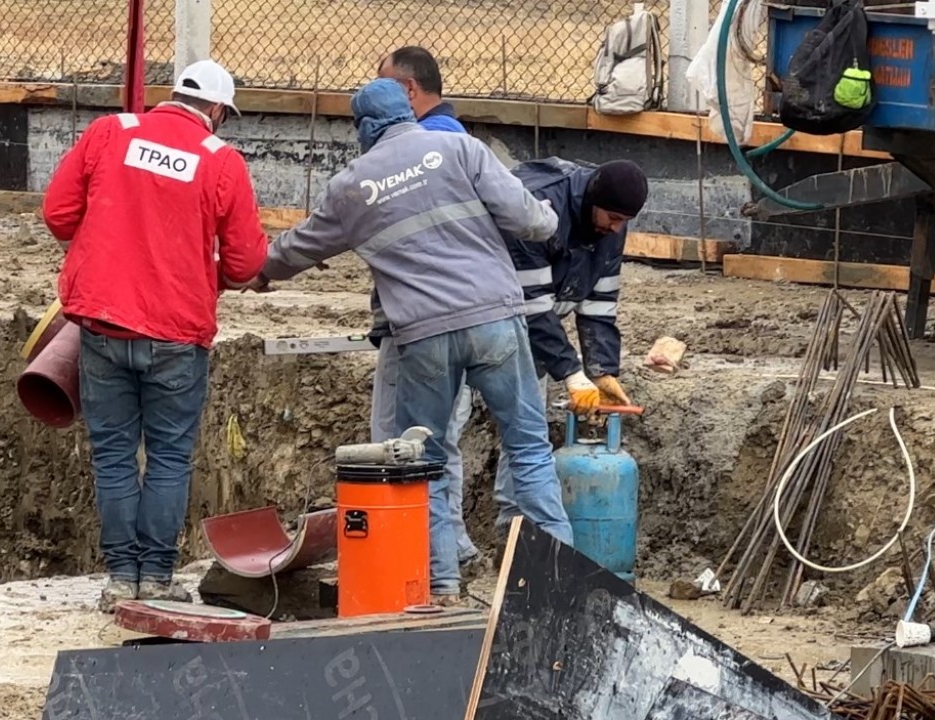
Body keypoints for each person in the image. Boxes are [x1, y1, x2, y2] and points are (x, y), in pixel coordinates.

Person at [247, 78, 574, 604]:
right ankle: (557, 583)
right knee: (530, 448)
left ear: (364, 129)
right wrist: (550, 221)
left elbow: (298, 248)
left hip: (422, 335)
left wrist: (258, 271)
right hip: (494, 318)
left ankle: (442, 586)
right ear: (408, 110)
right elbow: (526, 217)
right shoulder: (459, 148)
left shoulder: (351, 186)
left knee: (428, 462)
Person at [41, 60, 269, 611]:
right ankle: (158, 578)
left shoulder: (111, 133)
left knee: (115, 454)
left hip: (103, 323)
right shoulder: (221, 160)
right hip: (176, 333)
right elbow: (244, 263)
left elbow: (57, 214)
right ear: (216, 111)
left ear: (175, 96)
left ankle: (123, 578)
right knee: (168, 456)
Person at [370, 45, 482, 572]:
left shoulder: (416, 151)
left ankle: (409, 559)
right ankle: (451, 549)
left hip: (416, 325)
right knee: (442, 441)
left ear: (409, 91)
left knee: (397, 445)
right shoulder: (461, 144)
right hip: (470, 317)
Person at [493, 157, 648, 533]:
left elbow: (599, 304)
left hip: (530, 320)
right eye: (612, 218)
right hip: (481, 316)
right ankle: (459, 543)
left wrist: (602, 370)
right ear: (592, 200)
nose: (616, 229)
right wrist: (571, 373)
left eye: (624, 222)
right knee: (458, 425)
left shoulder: (611, 223)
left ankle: (516, 531)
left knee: (527, 425)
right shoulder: (537, 209)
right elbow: (531, 307)